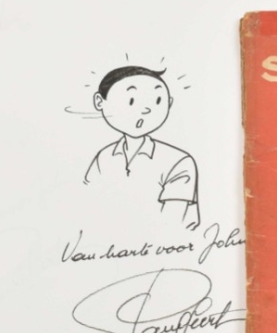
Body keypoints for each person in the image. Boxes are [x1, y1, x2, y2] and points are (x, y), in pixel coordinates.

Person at [84, 66, 199, 230]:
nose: (146, 110)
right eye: (131, 101)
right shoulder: (104, 157)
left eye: (157, 101)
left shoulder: (179, 162)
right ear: (99, 102)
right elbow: (88, 203)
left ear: (169, 103)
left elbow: (173, 223)